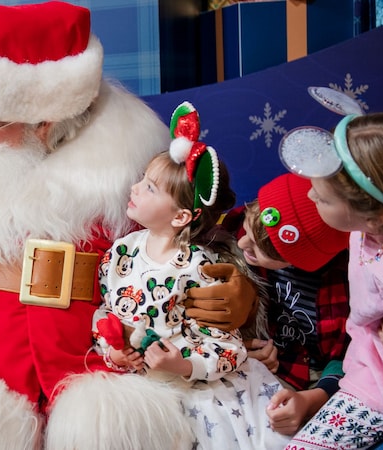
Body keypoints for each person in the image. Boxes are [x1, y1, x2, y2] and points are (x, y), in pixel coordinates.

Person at [0, 2, 258, 449]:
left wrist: (241, 286)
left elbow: (198, 221)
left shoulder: (131, 159)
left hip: (91, 356)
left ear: (47, 121)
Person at [90, 102, 289, 450]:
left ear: (182, 216)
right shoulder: (121, 252)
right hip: (138, 386)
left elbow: (228, 349)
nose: (134, 188)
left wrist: (182, 364)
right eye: (141, 180)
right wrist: (114, 351)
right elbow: (106, 314)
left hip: (193, 390)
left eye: (150, 187)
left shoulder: (199, 268)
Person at [280, 112, 383, 448]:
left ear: (375, 218)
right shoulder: (359, 235)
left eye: (324, 198)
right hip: (369, 379)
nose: (311, 198)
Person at [229, 173, 352, 436]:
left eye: (257, 252)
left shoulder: (343, 286)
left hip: (316, 384)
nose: (242, 244)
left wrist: (312, 400)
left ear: (296, 261)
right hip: (246, 366)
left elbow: (349, 356)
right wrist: (234, 347)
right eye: (247, 230)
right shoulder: (233, 229)